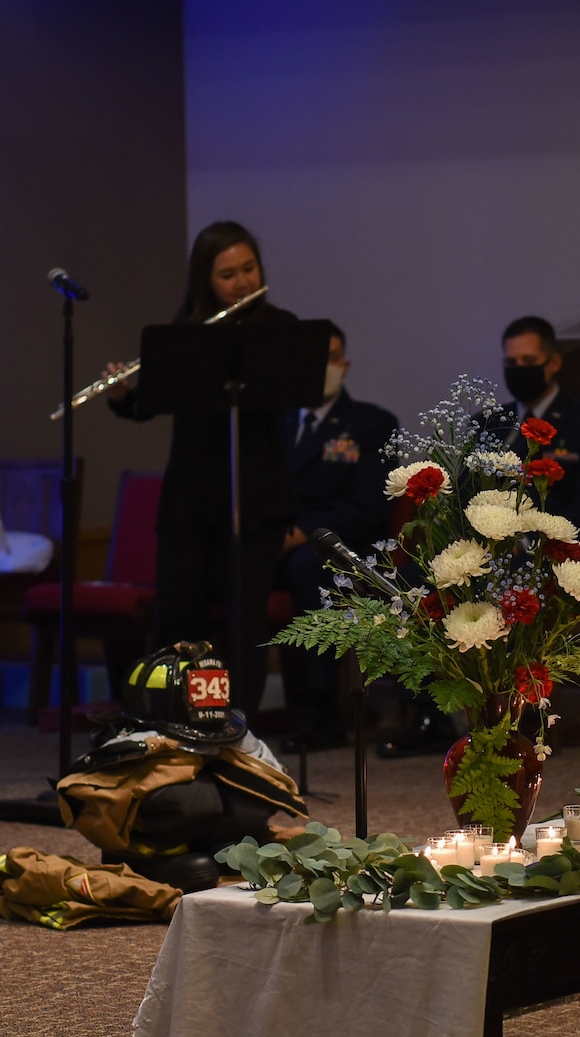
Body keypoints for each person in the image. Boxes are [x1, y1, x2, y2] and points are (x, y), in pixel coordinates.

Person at [107, 220, 298, 698]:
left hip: (256, 504)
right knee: (177, 620)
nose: (242, 283)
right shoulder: (187, 331)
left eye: (249, 268)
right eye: (228, 275)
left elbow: (296, 392)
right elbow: (148, 404)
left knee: (245, 625)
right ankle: (173, 722)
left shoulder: (282, 330)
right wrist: (121, 394)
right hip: (190, 504)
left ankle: (242, 731)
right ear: (206, 281)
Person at [275, 323, 398, 748]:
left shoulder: (372, 423)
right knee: (227, 564)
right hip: (274, 541)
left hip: (343, 546)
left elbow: (366, 507)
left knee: (308, 567)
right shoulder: (274, 422)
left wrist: (304, 533)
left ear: (343, 365)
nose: (319, 368)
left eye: (328, 357)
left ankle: (322, 710)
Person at [500, 316, 580, 550]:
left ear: (554, 363)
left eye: (529, 360)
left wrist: (528, 545)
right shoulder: (489, 422)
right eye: (511, 363)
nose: (520, 370)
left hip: (548, 553)